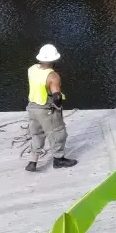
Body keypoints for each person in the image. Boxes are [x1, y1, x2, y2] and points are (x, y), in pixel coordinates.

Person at [26, 44, 77, 172]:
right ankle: (58, 159)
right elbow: (56, 96)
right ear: (54, 60)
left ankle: (33, 161)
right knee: (58, 132)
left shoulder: (32, 69)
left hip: (32, 107)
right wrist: (58, 108)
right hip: (46, 109)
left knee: (36, 133)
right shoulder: (53, 76)